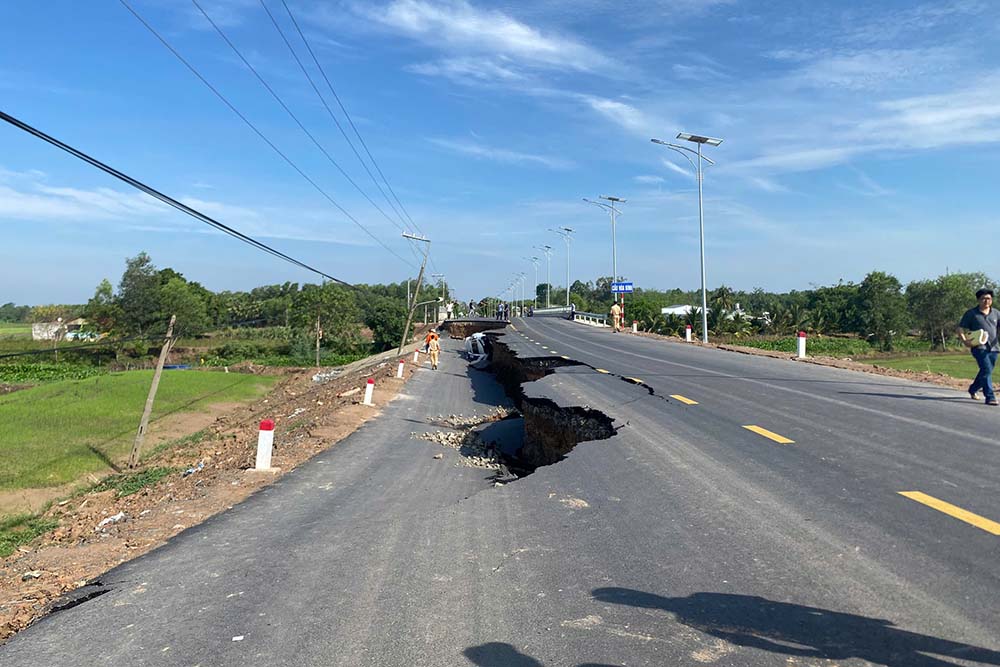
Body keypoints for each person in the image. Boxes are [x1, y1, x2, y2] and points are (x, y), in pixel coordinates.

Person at [957, 288, 1000, 405]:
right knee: (986, 369)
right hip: (979, 347)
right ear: (978, 300)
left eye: (989, 298)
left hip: (994, 347)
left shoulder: (996, 313)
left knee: (986, 371)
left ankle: (973, 389)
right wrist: (965, 341)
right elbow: (960, 328)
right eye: (983, 299)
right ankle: (990, 396)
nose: (986, 301)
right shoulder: (971, 314)